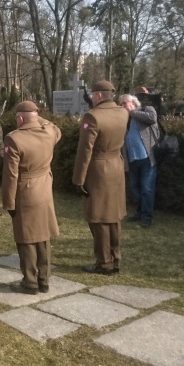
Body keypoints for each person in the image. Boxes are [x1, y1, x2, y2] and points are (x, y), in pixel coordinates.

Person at [2, 101, 61, 294]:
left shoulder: (14, 139)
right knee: (43, 236)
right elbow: (54, 126)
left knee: (26, 237)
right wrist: (36, 117)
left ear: (19, 118)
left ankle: (30, 282)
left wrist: (9, 202)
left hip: (25, 190)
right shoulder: (49, 133)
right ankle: (44, 279)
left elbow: (11, 175)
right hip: (44, 188)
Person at [72, 80, 128, 275]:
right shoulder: (123, 112)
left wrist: (79, 179)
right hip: (116, 166)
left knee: (98, 217)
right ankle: (115, 257)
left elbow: (84, 151)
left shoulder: (92, 117)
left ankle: (104, 262)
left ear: (97, 95)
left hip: (99, 169)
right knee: (114, 216)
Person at [118, 94, 160, 228]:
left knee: (147, 189)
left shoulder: (147, 110)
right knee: (135, 188)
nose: (122, 106)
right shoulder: (125, 120)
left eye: (124, 103)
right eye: (121, 104)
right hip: (132, 159)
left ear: (133, 103)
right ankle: (140, 212)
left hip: (147, 158)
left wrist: (133, 112)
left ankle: (146, 218)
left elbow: (152, 119)